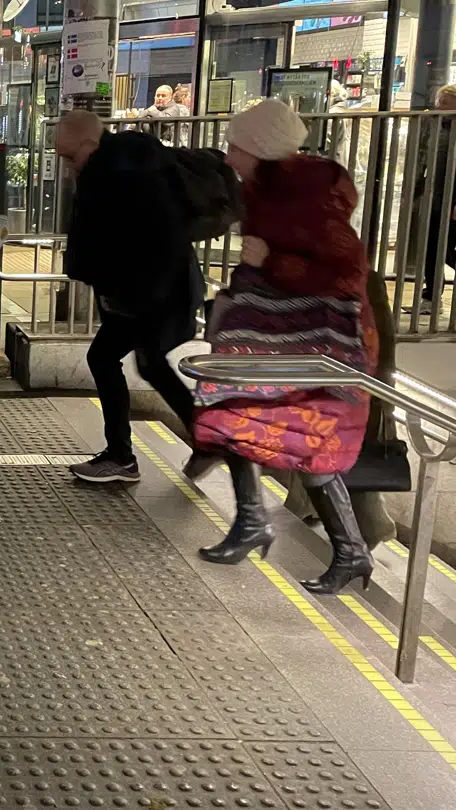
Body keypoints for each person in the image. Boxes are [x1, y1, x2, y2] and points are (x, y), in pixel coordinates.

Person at [192, 99, 378, 595]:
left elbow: (346, 272)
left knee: (303, 439)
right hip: (268, 333)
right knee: (232, 417)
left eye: (236, 146)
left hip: (316, 338)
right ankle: (253, 522)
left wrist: (273, 259)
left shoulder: (310, 195)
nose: (229, 155)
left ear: (261, 148)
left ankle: (351, 549)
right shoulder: (263, 189)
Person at [56, 111, 202, 483]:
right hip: (146, 292)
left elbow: (146, 240)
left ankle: (127, 455)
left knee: (121, 359)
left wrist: (125, 294)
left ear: (89, 144)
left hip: (154, 293)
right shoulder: (119, 165)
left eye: (70, 157)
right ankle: (200, 439)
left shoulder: (121, 173)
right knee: (128, 360)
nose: (69, 168)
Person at [411, 84, 455, 315]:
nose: (439, 106)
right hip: (435, 195)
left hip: (452, 196)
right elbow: (422, 158)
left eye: (445, 102)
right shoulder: (433, 124)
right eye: (439, 101)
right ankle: (430, 297)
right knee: (432, 247)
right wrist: (417, 188)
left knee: (447, 250)